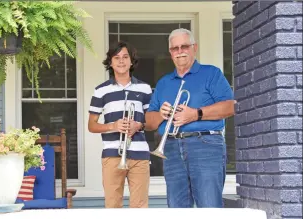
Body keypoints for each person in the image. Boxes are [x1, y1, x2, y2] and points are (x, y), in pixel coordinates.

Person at [145, 28, 235, 208]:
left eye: (184, 46)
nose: (180, 51)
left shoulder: (211, 74)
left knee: (209, 207)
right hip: (170, 148)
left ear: (194, 47)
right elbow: (148, 123)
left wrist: (195, 114)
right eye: (175, 48)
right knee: (177, 210)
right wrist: (161, 114)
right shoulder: (163, 83)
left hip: (205, 145)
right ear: (170, 52)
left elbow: (230, 106)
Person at [88, 41, 152, 208]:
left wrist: (138, 125)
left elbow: (152, 121)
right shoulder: (101, 90)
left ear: (132, 61)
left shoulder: (145, 89)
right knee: (113, 207)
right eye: (116, 58)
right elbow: (91, 126)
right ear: (110, 62)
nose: (121, 61)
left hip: (139, 154)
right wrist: (113, 126)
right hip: (112, 154)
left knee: (140, 206)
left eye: (125, 57)